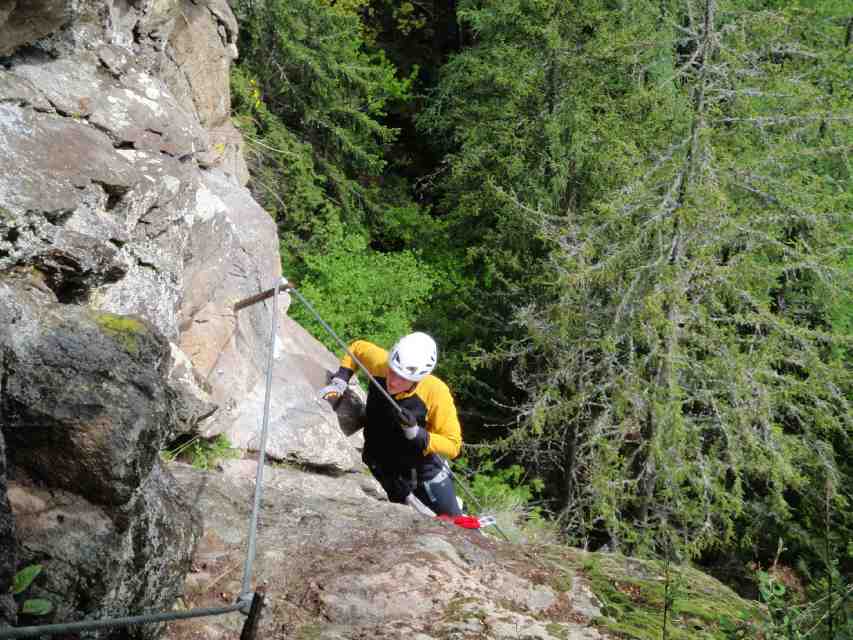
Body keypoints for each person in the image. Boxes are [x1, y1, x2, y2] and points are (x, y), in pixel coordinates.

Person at [319, 332, 463, 516]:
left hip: (422, 471)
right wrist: (341, 379)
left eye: (402, 377)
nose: (393, 381)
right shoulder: (381, 363)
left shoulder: (436, 393)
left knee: (453, 521)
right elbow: (357, 348)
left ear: (418, 379)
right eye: (392, 371)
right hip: (382, 464)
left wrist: (417, 433)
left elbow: (453, 444)